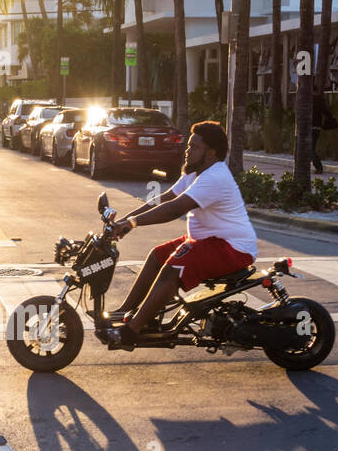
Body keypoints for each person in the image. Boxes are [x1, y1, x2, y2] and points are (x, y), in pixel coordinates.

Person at [103, 121, 259, 348]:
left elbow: (175, 208)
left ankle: (132, 331)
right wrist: (125, 221)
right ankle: (126, 312)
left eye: (194, 147)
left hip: (233, 248)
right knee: (158, 255)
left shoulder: (214, 176)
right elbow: (164, 198)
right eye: (188, 146)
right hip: (208, 241)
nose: (187, 151)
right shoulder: (195, 172)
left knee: (174, 267)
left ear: (210, 153)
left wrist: (133, 223)